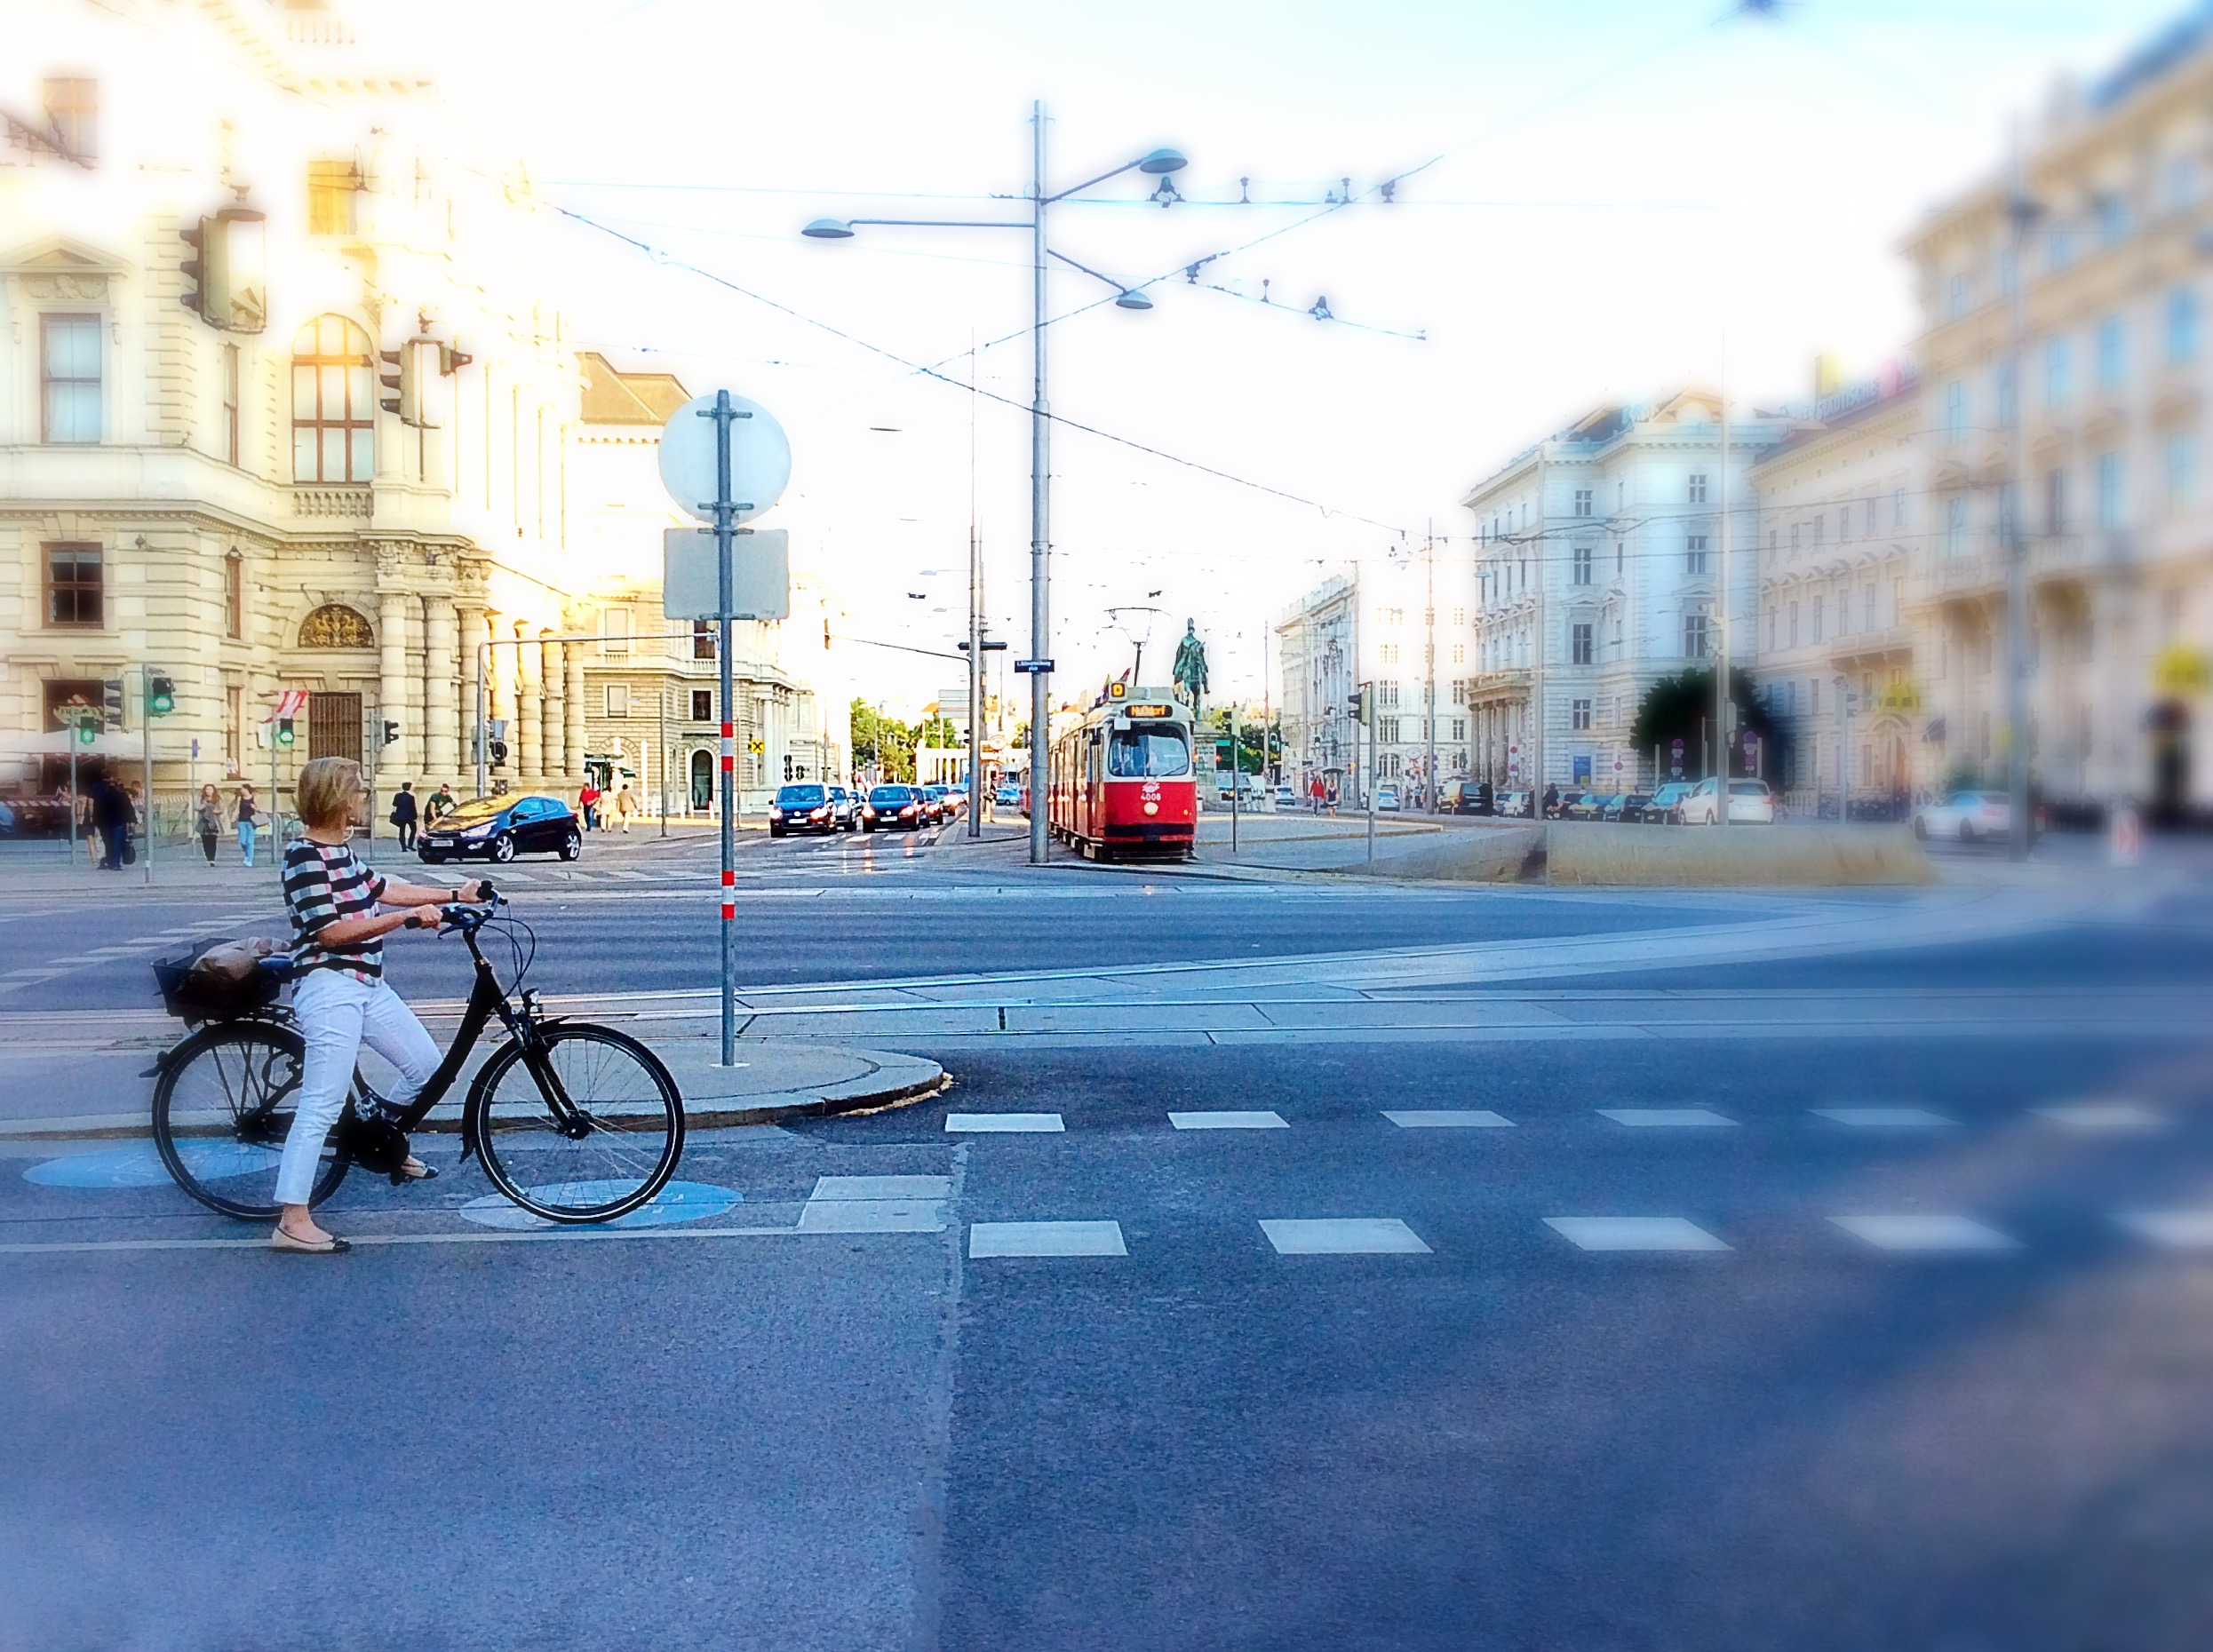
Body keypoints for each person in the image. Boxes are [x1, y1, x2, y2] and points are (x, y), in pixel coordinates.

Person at [271, 756, 488, 1254]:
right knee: (322, 1104)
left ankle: (383, 1142)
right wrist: (405, 921)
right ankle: (292, 1219)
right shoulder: (304, 856)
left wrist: (459, 893)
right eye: (359, 792)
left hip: (367, 984)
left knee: (428, 1069)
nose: (365, 799)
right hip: (328, 986)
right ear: (338, 799)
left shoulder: (343, 852)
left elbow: (386, 888)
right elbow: (329, 933)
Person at [89, 773, 131, 871]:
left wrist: (95, 821)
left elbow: (96, 809)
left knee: (108, 843)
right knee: (116, 843)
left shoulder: (101, 796)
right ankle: (115, 863)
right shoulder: (122, 795)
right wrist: (129, 821)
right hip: (117, 822)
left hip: (105, 823)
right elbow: (128, 809)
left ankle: (111, 862)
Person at [195, 784, 224, 865]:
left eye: (210, 789)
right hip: (203, 822)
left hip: (213, 822)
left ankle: (212, 858)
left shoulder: (217, 798)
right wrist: (203, 806)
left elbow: (221, 809)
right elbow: (196, 807)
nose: (208, 791)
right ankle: (208, 856)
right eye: (207, 789)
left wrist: (216, 811)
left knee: (213, 840)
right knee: (205, 841)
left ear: (213, 790)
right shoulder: (201, 798)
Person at [234, 783, 261, 867]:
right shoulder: (240, 798)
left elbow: (259, 809)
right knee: (243, 842)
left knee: (250, 842)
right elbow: (237, 809)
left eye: (242, 789)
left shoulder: (254, 798)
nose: (241, 791)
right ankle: (247, 854)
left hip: (251, 822)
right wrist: (234, 816)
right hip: (242, 821)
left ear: (246, 789)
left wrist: (254, 808)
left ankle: (250, 860)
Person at [390, 780, 419, 851]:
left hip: (400, 816)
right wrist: (415, 816)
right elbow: (413, 807)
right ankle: (410, 844)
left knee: (402, 831)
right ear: (409, 788)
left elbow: (394, 805)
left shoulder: (397, 796)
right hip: (409, 816)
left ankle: (403, 847)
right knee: (413, 829)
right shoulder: (411, 797)